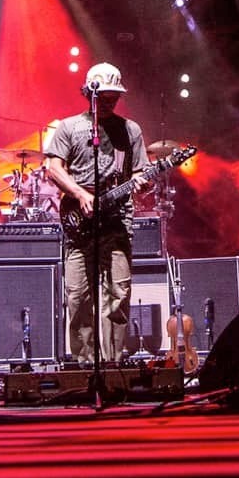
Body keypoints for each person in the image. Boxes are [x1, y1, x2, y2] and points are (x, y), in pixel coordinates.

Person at [43, 62, 147, 366]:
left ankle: (113, 365)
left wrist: (140, 181)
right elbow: (53, 167)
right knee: (78, 297)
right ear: (89, 92)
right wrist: (80, 194)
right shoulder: (68, 127)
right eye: (104, 95)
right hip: (80, 223)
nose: (109, 101)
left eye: (114, 96)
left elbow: (138, 171)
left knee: (118, 293)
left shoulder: (130, 130)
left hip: (116, 222)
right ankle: (84, 365)